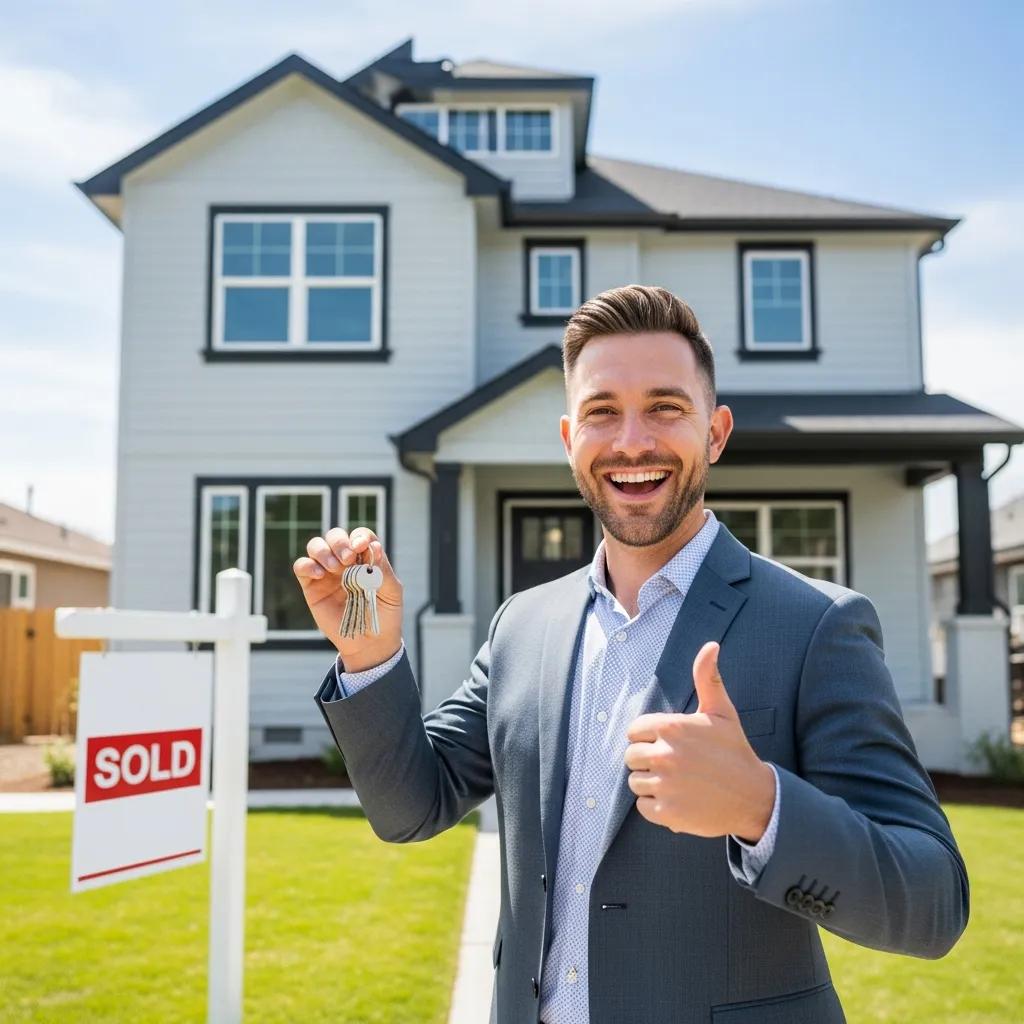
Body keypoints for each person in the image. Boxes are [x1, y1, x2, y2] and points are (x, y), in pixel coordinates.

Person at [294, 285, 969, 1024]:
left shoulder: (817, 626)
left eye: (665, 408)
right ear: (568, 439)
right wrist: (370, 655)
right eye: (602, 411)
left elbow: (932, 903)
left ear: (714, 433)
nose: (632, 441)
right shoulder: (524, 625)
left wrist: (760, 806)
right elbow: (409, 809)